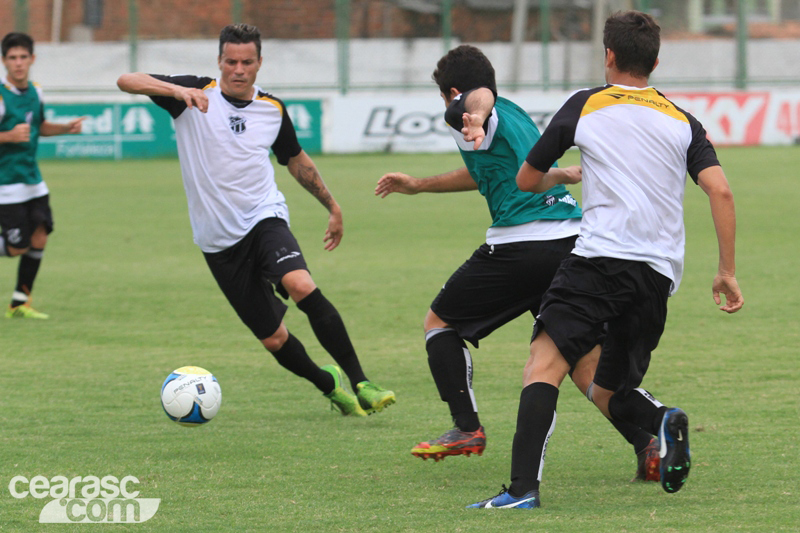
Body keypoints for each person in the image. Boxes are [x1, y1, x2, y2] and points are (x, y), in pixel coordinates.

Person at [469, 11, 743, 509]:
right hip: (657, 276)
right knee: (607, 391)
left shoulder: (586, 105)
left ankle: (521, 491)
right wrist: (725, 271)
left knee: (543, 365)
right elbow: (720, 191)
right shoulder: (683, 120)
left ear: (609, 56)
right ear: (656, 61)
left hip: (597, 261)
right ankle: (662, 420)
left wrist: (562, 176)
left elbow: (527, 179)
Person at [376, 44, 660, 481]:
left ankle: (466, 427)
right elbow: (486, 171)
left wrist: (471, 108)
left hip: (522, 246)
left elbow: (477, 103)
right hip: (571, 242)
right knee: (584, 367)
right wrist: (419, 184)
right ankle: (649, 444)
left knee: (440, 323)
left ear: (452, 92)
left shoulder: (469, 110)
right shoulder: (512, 113)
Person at [116, 23, 395, 417]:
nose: (238, 69)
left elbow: (296, 160)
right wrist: (175, 91)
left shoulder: (273, 110)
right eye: (231, 61)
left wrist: (332, 206)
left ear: (259, 63)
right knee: (273, 339)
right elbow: (126, 79)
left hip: (263, 218)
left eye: (247, 62)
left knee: (300, 283)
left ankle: (362, 380)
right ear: (219, 62)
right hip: (217, 242)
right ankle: (328, 384)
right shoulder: (192, 94)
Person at [0, 32, 83, 319]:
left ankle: (19, 302)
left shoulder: (37, 91)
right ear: (4, 61)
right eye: (12, 58)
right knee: (16, 246)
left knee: (39, 237)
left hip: (33, 181)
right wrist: (7, 135)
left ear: (32, 59)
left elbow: (39, 126)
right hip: (6, 184)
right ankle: (19, 301)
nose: (18, 63)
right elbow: (14, 134)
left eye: (23, 57)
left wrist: (65, 128)